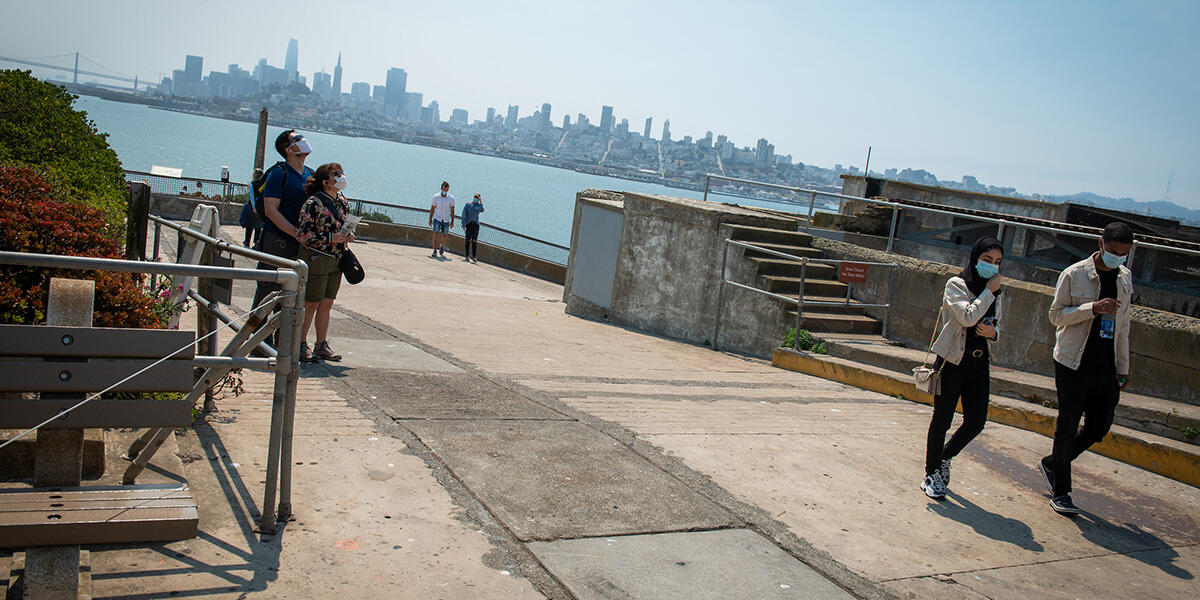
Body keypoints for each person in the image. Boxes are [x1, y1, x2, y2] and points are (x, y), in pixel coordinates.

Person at [1040, 222, 1134, 516]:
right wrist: (1092, 308)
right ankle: (1062, 492)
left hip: (1106, 365)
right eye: (1113, 251)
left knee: (1099, 427)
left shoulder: (1125, 278)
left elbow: (1124, 326)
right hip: (1073, 362)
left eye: (1124, 254)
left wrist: (1123, 365)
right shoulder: (1074, 274)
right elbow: (1056, 316)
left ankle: (1055, 462)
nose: (1117, 258)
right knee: (1066, 427)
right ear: (1100, 243)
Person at [921, 237, 1004, 500]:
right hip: (952, 362)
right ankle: (931, 473)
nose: (993, 267)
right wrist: (988, 292)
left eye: (998, 262)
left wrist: (994, 333)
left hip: (979, 363)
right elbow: (967, 316)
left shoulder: (995, 291)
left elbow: (997, 324)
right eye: (988, 260)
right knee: (942, 419)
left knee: (976, 421)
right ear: (976, 258)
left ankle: (945, 456)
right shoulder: (956, 285)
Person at [249, 130, 315, 317]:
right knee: (267, 293)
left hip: (299, 246)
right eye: (296, 139)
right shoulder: (279, 174)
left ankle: (281, 343)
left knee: (291, 297)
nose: (302, 140)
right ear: (288, 149)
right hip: (276, 242)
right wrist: (295, 232)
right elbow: (271, 210)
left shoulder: (310, 174)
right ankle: (256, 342)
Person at [296, 162, 355, 362]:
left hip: (336, 258)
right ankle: (300, 343)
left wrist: (347, 236)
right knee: (310, 303)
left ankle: (321, 344)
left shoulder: (342, 201)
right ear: (325, 181)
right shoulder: (313, 203)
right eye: (336, 174)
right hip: (317, 258)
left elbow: (342, 225)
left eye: (341, 172)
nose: (341, 176)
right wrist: (331, 238)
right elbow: (303, 234)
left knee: (327, 302)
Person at [429, 181, 454, 258]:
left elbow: (452, 210)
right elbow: (432, 208)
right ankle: (434, 250)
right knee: (435, 234)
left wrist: (452, 221)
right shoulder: (435, 197)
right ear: (441, 188)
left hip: (446, 219)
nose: (445, 191)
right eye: (444, 189)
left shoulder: (451, 198)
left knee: (444, 236)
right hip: (437, 218)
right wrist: (430, 219)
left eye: (446, 190)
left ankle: (442, 246)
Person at [461, 193, 485, 262]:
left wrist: (480, 202)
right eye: (475, 197)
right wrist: (463, 224)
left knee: (474, 240)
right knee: (468, 240)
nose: (475, 198)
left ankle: (474, 256)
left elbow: (482, 210)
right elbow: (464, 214)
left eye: (477, 198)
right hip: (469, 224)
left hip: (476, 225)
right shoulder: (468, 204)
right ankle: (467, 256)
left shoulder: (478, 205)